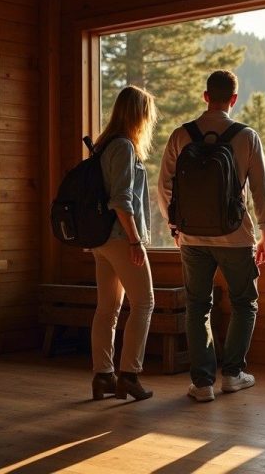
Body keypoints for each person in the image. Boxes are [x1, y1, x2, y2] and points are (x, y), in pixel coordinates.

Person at [158, 69, 265, 403]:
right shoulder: (246, 136)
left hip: (192, 239)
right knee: (244, 303)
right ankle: (234, 375)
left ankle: (202, 383)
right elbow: (261, 190)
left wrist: (175, 225)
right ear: (233, 99)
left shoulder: (181, 135)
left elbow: (164, 185)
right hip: (235, 236)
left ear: (205, 96)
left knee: (197, 306)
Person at [90, 85, 158, 401]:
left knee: (108, 308)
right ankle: (129, 374)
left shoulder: (103, 146)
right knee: (144, 302)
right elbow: (121, 200)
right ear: (139, 115)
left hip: (101, 239)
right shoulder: (124, 148)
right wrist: (135, 241)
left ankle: (103, 375)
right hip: (120, 237)